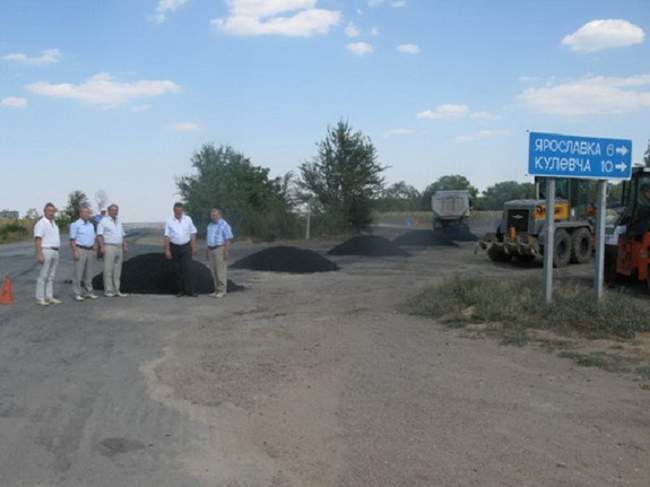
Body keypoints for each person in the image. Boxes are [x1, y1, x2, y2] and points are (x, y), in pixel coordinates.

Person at [164, 202, 197, 297]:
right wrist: (167, 250)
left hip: (186, 247)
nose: (178, 213)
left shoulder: (188, 219)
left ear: (183, 210)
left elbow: (193, 233)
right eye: (176, 211)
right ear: (173, 211)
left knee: (188, 269)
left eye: (180, 211)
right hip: (174, 247)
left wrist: (194, 247)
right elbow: (166, 236)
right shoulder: (169, 221)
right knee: (178, 270)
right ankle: (180, 291)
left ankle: (190, 291)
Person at [97, 204, 128, 297]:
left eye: (116, 210)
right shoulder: (103, 221)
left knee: (117, 270)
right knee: (108, 269)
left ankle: (117, 290)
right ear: (109, 211)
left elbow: (122, 234)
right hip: (109, 246)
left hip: (119, 247)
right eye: (113, 210)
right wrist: (102, 247)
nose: (115, 212)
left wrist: (125, 245)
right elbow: (99, 235)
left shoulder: (118, 221)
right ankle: (108, 290)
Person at [33, 202, 62, 306]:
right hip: (46, 250)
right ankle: (40, 298)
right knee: (43, 275)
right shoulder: (41, 223)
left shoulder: (54, 223)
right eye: (49, 211)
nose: (51, 213)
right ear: (44, 211)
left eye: (53, 211)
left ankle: (49, 297)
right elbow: (38, 239)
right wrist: (39, 254)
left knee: (51, 276)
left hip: (55, 251)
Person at [69, 206, 98, 301]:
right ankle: (77, 293)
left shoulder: (91, 225)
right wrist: (75, 251)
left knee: (89, 273)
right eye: (85, 212)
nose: (87, 214)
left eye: (88, 212)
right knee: (78, 273)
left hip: (90, 250)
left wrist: (95, 248)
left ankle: (88, 292)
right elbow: (72, 240)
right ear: (80, 214)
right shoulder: (75, 225)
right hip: (80, 249)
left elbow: (93, 238)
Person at [206, 208, 234, 298]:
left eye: (215, 215)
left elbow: (228, 239)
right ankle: (216, 290)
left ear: (220, 215)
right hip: (210, 249)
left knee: (220, 271)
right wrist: (207, 251)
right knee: (213, 271)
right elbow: (208, 239)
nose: (213, 217)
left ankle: (222, 291)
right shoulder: (210, 225)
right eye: (211, 215)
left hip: (219, 249)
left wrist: (226, 251)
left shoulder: (224, 225)